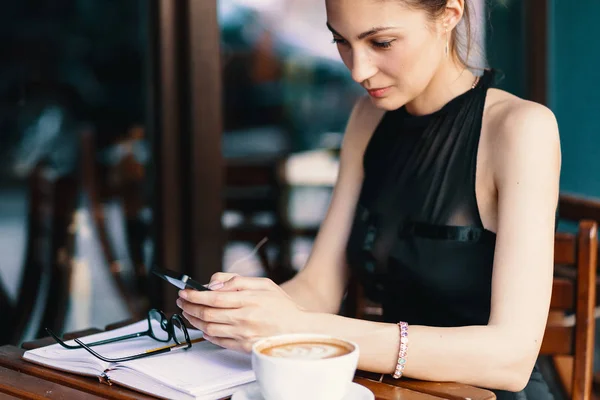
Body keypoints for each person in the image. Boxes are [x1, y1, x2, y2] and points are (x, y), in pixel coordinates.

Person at [176, 0, 561, 398]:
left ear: (449, 15)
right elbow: (318, 287)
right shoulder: (368, 117)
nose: (358, 70)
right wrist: (244, 311)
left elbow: (510, 359)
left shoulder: (520, 129)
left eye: (382, 42)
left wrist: (298, 325)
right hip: (394, 391)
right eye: (341, 41)